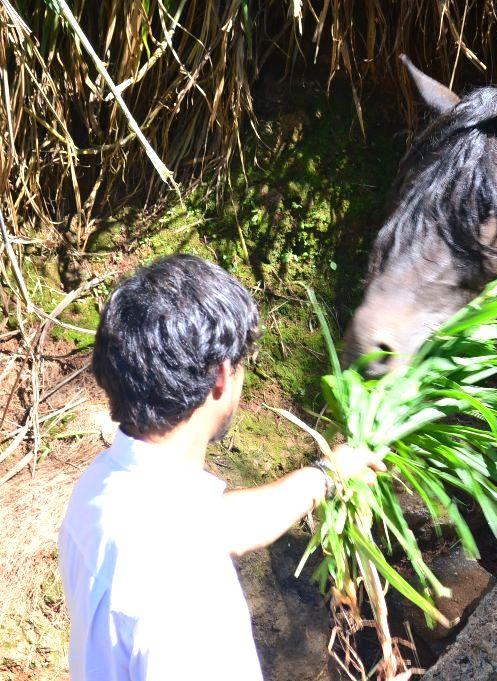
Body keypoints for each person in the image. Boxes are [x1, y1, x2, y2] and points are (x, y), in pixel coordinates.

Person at [58, 254, 381, 680]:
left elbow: (219, 524)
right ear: (221, 378)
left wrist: (327, 474)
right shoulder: (189, 593)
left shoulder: (104, 489)